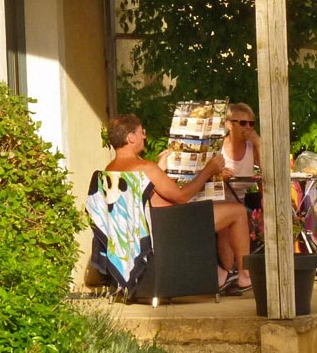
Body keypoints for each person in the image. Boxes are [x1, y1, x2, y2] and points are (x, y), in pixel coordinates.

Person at [105, 114, 251, 292]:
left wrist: (159, 169)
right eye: (141, 132)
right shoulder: (144, 167)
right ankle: (244, 276)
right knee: (237, 211)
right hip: (173, 228)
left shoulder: (110, 169)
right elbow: (182, 197)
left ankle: (220, 273)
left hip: (143, 233)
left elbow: (144, 196)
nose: (144, 136)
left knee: (218, 209)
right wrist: (208, 170)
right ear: (131, 137)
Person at [217, 103, 261, 270]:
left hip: (240, 200)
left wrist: (259, 143)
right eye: (243, 123)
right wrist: (218, 175)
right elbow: (202, 173)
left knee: (240, 215)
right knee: (226, 225)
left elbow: (267, 168)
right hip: (217, 198)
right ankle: (233, 272)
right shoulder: (218, 146)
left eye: (251, 124)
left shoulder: (251, 146)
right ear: (229, 124)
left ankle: (234, 273)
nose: (248, 127)